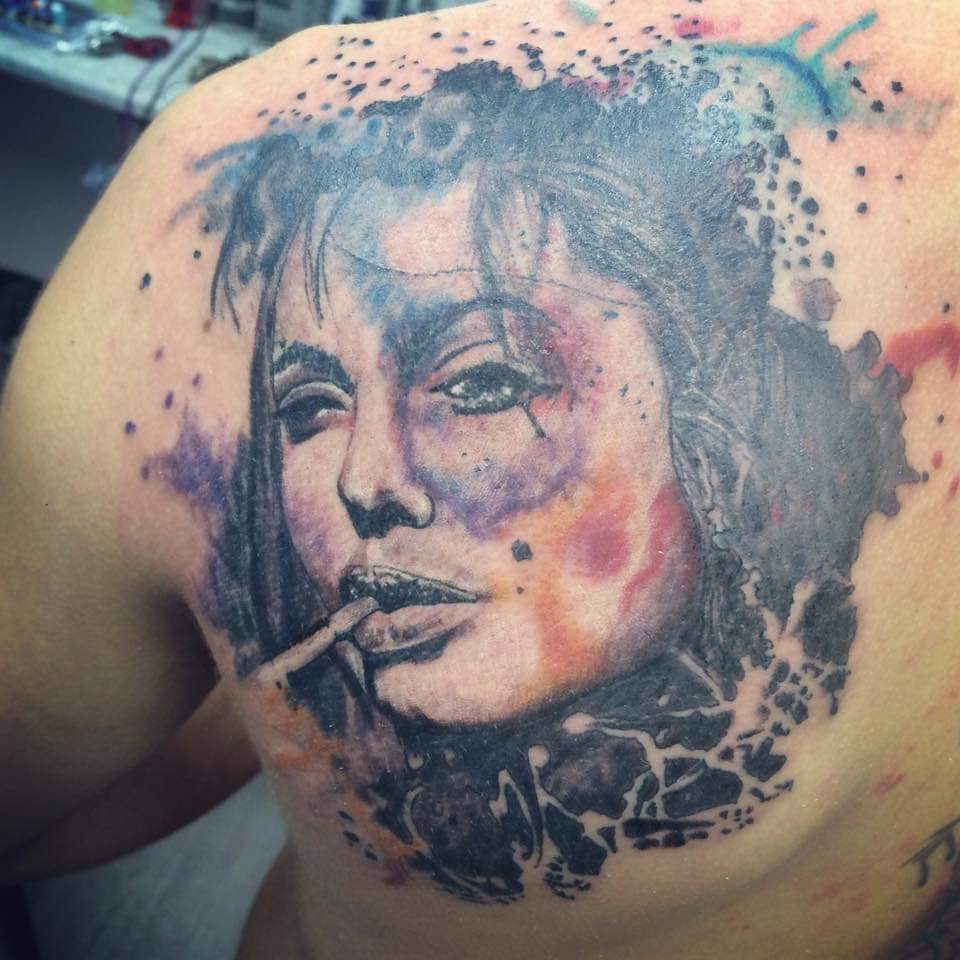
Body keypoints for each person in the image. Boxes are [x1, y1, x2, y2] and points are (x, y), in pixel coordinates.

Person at [1, 0, 959, 956]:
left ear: (718, 402)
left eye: (483, 383)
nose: (365, 482)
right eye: (311, 408)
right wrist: (266, 684)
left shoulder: (221, 152)